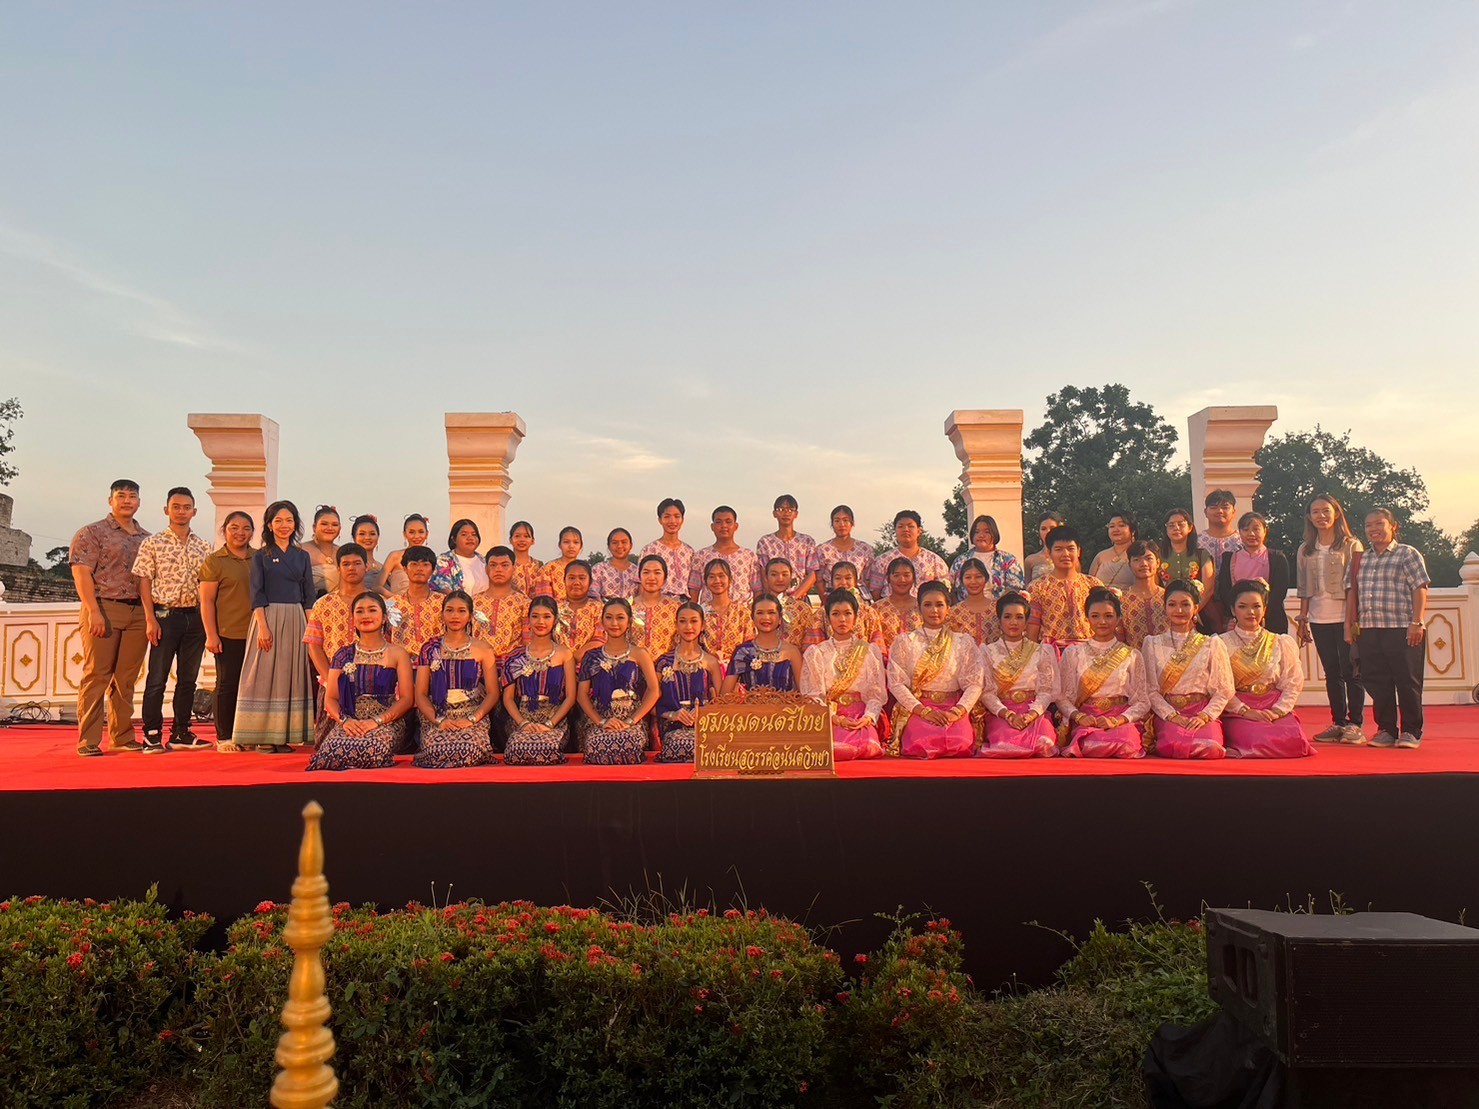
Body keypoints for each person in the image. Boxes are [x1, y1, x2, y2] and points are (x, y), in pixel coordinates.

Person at [69, 479, 151, 756]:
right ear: (110, 500)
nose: (127, 501)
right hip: (104, 607)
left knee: (126, 678)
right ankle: (88, 740)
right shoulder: (92, 532)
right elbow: (81, 573)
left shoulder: (147, 539)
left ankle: (122, 736)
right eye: (121, 495)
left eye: (132, 496)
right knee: (97, 674)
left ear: (139, 502)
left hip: (138, 612)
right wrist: (93, 611)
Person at [131, 486, 213, 752]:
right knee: (157, 678)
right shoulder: (153, 543)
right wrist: (150, 618)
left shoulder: (203, 546)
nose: (181, 512)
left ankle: (181, 732)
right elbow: (144, 581)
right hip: (164, 616)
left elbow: (207, 585)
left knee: (188, 679)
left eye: (186, 507)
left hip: (195, 618)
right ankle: (151, 733)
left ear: (194, 511)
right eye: (176, 507)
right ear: (166, 510)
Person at [231, 501, 317, 752]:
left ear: (295, 524)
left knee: (290, 674)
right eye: (278, 521)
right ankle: (262, 736)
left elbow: (309, 595)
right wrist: (263, 626)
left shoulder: (302, 556)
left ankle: (283, 735)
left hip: (296, 618)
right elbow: (256, 593)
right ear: (269, 525)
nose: (284, 525)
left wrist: (311, 627)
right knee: (263, 673)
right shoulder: (261, 555)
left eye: (289, 520)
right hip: (267, 617)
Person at [1346, 508, 1429, 749]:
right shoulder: (1360, 559)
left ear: (1393, 526)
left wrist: (1417, 622)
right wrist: (1350, 627)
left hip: (1401, 627)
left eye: (1379, 524)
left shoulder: (1407, 554)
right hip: (1369, 628)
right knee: (1376, 681)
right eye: (1368, 525)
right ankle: (1386, 730)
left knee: (1407, 681)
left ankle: (1411, 731)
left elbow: (1420, 588)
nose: (1373, 529)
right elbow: (1352, 594)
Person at [307, 593, 413, 771]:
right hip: (351, 721)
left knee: (373, 750)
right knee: (329, 753)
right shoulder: (343, 654)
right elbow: (331, 698)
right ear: (353, 618)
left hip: (386, 721)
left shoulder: (398, 654)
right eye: (360, 611)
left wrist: (376, 721)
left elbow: (407, 699)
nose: (366, 616)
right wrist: (345, 721)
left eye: (372, 610)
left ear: (384, 617)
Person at [885, 581, 983, 759]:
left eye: (939, 605)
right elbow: (896, 683)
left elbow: (974, 683)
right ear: (919, 609)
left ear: (948, 608)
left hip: (953, 709)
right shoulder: (905, 642)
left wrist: (957, 711)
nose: (934, 610)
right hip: (919, 707)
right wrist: (924, 711)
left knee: (960, 742)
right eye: (928, 605)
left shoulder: (963, 641)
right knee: (921, 744)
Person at [1295, 494, 1364, 743]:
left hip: (1346, 617)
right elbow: (1303, 586)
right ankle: (1338, 722)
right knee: (1331, 672)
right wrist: (1303, 619)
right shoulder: (1305, 548)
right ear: (1309, 517)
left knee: (1351, 670)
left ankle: (1355, 724)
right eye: (1315, 511)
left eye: (1326, 510)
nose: (1321, 516)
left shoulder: (1351, 545)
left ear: (1336, 513)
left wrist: (1352, 621)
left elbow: (1357, 584)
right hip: (1318, 617)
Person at [1221, 580, 1314, 758]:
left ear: (1265, 609)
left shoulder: (1280, 642)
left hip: (1273, 706)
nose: (1250, 612)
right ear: (1233, 610)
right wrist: (1245, 711)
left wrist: (1277, 711)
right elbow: (1220, 687)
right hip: (1238, 710)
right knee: (1258, 739)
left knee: (1294, 740)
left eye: (1256, 606)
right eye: (1243, 606)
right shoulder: (1220, 644)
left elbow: (1292, 682)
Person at [1142, 581, 1234, 759]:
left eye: (1185, 604)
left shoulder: (1211, 644)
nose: (1179, 610)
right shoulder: (1152, 644)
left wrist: (1204, 716)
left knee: (1210, 747)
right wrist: (1171, 716)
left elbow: (1223, 690)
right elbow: (1150, 690)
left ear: (1196, 608)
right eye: (1172, 604)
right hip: (1168, 713)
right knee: (1172, 746)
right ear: (1165, 607)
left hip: (1201, 712)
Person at [1056, 588, 1150, 758]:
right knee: (1090, 745)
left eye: (1108, 616)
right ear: (1087, 618)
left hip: (1120, 720)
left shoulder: (1132, 655)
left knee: (1125, 745)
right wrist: (1079, 717)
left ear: (1118, 618)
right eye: (1095, 616)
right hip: (1088, 719)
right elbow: (1062, 697)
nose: (1102, 622)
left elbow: (1142, 702)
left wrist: (1117, 720)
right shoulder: (1073, 653)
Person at [413, 591, 501, 769]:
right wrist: (439, 720)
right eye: (450, 610)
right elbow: (420, 694)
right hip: (438, 715)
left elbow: (493, 693)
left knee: (468, 749)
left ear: (470, 616)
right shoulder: (429, 648)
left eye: (461, 611)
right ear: (442, 615)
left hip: (472, 715)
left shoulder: (483, 649)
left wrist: (472, 719)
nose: (455, 616)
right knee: (437, 751)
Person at [801, 590, 886, 760]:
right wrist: (836, 719)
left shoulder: (869, 651)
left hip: (860, 717)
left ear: (856, 617)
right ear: (828, 618)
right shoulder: (817, 653)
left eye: (847, 613)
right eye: (836, 614)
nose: (842, 619)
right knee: (831, 750)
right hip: (830, 717)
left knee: (869, 746)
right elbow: (813, 696)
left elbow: (876, 694)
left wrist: (868, 717)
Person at [576, 599, 661, 764]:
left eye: (620, 618)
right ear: (602, 621)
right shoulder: (591, 656)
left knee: (630, 746)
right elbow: (582, 695)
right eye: (609, 617)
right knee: (597, 744)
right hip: (599, 722)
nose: (614, 623)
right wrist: (601, 722)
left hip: (632, 722)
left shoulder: (640, 654)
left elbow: (654, 691)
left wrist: (631, 721)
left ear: (629, 621)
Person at [977, 592, 1059, 758]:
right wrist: (1007, 714)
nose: (1014, 622)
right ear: (999, 621)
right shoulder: (987, 652)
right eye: (1008, 617)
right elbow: (987, 692)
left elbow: (1046, 691)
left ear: (1026, 621)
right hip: (1002, 713)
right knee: (1003, 746)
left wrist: (1031, 714)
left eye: (1019, 617)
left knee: (1044, 743)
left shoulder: (1041, 651)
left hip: (1034, 712)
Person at [199, 511, 255, 751]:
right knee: (227, 684)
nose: (240, 533)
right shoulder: (215, 561)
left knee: (252, 687)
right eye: (234, 527)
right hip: (228, 632)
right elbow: (207, 601)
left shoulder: (259, 558)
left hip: (257, 634)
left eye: (246, 528)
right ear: (224, 530)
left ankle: (247, 733)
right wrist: (211, 635)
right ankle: (224, 736)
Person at [501, 596, 577, 765]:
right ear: (528, 620)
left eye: (546, 616)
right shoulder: (516, 656)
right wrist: (523, 723)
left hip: (555, 720)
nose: (540, 621)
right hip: (522, 720)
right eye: (535, 616)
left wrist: (549, 724)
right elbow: (508, 698)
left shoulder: (565, 654)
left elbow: (571, 697)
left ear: (555, 620)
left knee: (547, 750)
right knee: (518, 750)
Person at [653, 602, 724, 763]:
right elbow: (650, 704)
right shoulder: (664, 662)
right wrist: (673, 715)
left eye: (693, 621)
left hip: (705, 727)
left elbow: (721, 703)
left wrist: (703, 713)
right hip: (673, 729)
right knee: (679, 744)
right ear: (676, 625)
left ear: (702, 625)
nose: (688, 626)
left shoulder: (711, 662)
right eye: (683, 621)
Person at [304, 543, 370, 697]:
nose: (351, 568)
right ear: (338, 568)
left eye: (357, 563)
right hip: (332, 685)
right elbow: (313, 646)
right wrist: (331, 682)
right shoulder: (322, 604)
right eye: (346, 564)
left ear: (366, 567)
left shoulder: (378, 604)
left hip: (372, 685)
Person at [1026, 526, 1104, 654]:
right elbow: (1032, 630)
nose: (1065, 554)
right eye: (1059, 549)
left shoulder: (1093, 585)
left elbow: (1105, 624)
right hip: (1052, 655)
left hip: (1090, 654)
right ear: (1049, 553)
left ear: (1078, 551)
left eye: (1070, 549)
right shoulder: (1038, 587)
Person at [1212, 513, 1290, 634]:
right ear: (1239, 533)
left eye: (1256, 529)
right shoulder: (1229, 559)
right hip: (1237, 622)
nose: (1251, 534)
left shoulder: (1277, 558)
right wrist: (1239, 614)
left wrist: (1260, 613)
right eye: (1246, 529)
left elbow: (1279, 592)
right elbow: (1224, 590)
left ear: (1265, 531)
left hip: (1271, 621)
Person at [723, 595, 803, 693]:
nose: (766, 617)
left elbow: (804, 692)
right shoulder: (743, 651)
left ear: (780, 618)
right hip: (750, 703)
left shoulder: (792, 652)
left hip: (785, 703)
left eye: (771, 612)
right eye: (760, 613)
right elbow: (725, 695)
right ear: (752, 618)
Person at [867, 510, 949, 599]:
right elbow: (875, 593)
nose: (905, 529)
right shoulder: (882, 561)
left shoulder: (935, 561)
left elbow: (944, 592)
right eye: (900, 526)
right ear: (895, 531)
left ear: (919, 531)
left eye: (910, 526)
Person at [690, 506, 762, 605]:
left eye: (728, 522)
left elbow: (757, 590)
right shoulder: (701, 556)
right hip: (710, 611)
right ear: (712, 527)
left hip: (742, 611)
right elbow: (694, 590)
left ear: (736, 526)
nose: (723, 525)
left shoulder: (749, 556)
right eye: (719, 522)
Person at [473, 546, 532, 662]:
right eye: (493, 565)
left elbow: (528, 643)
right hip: (477, 665)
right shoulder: (473, 602)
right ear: (486, 569)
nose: (498, 569)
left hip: (514, 665)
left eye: (505, 565)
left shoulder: (525, 603)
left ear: (514, 569)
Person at [949, 515, 1024, 602]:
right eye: (977, 532)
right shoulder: (960, 561)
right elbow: (951, 590)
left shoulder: (1008, 560)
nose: (981, 535)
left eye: (987, 532)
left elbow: (1016, 588)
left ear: (994, 534)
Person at [756, 494, 819, 599]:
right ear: (774, 513)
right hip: (773, 598)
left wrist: (795, 597)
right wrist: (774, 599)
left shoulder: (807, 541)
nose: (786, 513)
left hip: (800, 598)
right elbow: (763, 574)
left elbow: (812, 573)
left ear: (796, 514)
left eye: (790, 510)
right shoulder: (765, 542)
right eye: (781, 509)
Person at [386, 546, 444, 660]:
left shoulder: (443, 602)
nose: (419, 569)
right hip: (400, 665)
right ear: (404, 569)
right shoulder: (392, 604)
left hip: (436, 664)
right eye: (414, 564)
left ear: (433, 570)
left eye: (425, 565)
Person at [699, 558, 754, 667]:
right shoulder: (700, 612)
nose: (717, 580)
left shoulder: (742, 613)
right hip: (706, 669)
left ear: (730, 580)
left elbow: (749, 647)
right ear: (705, 582)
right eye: (711, 577)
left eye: (721, 576)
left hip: (737, 670)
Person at [640, 498, 697, 600]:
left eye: (677, 516)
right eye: (667, 517)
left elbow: (693, 586)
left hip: (684, 604)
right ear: (660, 520)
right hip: (658, 602)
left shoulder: (689, 551)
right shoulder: (650, 550)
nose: (672, 521)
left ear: (682, 520)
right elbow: (642, 583)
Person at [1160, 508, 1214, 615]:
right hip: (1166, 613)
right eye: (1171, 525)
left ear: (1190, 527)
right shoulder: (1158, 556)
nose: (1176, 528)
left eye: (1180, 524)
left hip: (1199, 613)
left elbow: (1208, 589)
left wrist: (1192, 612)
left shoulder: (1202, 555)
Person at [816, 504, 876, 598]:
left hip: (859, 599)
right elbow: (819, 580)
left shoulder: (865, 549)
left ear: (852, 523)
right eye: (837, 521)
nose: (841, 524)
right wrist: (826, 601)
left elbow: (869, 579)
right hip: (832, 598)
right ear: (832, 524)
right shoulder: (822, 550)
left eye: (845, 520)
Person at [629, 554, 681, 657]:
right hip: (632, 663)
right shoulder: (628, 606)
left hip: (667, 665)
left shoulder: (675, 608)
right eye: (646, 572)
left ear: (665, 578)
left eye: (657, 573)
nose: (651, 577)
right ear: (639, 577)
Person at [1120, 540, 1169, 650]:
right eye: (1136, 560)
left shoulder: (1169, 598)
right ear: (1129, 565)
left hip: (1168, 657)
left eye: (1149, 558)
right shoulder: (1121, 600)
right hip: (1133, 657)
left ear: (1158, 563)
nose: (1144, 564)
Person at [555, 560, 606, 662]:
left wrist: (577, 655)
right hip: (556, 663)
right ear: (564, 580)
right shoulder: (554, 607)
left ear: (590, 582)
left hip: (588, 664)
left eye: (582, 578)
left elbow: (600, 639)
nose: (576, 582)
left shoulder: (598, 608)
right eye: (571, 578)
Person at [873, 557, 922, 660]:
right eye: (896, 575)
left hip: (919, 664)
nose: (902, 580)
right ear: (888, 579)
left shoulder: (922, 607)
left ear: (913, 578)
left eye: (906, 575)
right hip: (884, 665)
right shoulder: (876, 608)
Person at [829, 561, 886, 649]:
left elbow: (877, 646)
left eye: (848, 578)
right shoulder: (822, 613)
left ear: (855, 581)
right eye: (838, 578)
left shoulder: (868, 612)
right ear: (831, 582)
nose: (843, 582)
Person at [763, 558, 818, 648]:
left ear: (791, 577)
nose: (780, 579)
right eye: (774, 574)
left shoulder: (802, 608)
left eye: (784, 574)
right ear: (766, 578)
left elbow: (809, 642)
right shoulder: (758, 607)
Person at [946, 558, 999, 646]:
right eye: (968, 577)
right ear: (962, 580)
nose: (973, 581)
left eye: (978, 577)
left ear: (986, 579)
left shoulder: (998, 609)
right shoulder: (953, 613)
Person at [430, 519, 488, 595]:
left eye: (474, 534)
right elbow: (444, 589)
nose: (470, 538)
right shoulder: (443, 561)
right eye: (464, 534)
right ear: (454, 539)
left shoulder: (484, 561)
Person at [381, 514, 431, 596]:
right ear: (405, 534)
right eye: (411, 532)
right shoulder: (395, 556)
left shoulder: (430, 558)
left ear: (427, 534)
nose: (416, 536)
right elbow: (377, 586)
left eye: (421, 532)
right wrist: (397, 600)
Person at [1088, 510, 1138, 590]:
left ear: (1133, 531)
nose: (1116, 529)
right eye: (1111, 526)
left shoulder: (1139, 554)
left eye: (1121, 525)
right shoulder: (1100, 556)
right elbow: (1088, 585)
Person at [301, 506, 342, 599]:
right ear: (314, 527)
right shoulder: (300, 550)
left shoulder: (343, 552)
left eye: (335, 525)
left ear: (340, 528)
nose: (330, 528)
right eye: (324, 524)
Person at [536, 526, 584, 601]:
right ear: (560, 545)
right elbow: (544, 601)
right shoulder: (548, 569)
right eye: (566, 542)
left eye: (576, 542)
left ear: (581, 546)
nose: (571, 546)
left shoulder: (584, 570)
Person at [591, 527, 639, 599]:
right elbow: (593, 594)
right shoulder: (598, 569)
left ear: (631, 545)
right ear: (609, 546)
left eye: (624, 542)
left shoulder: (637, 572)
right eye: (614, 543)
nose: (619, 546)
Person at [1023, 512, 1067, 583]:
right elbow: (1026, 586)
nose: (1048, 532)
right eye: (1043, 529)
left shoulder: (1068, 557)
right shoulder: (1030, 560)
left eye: (1052, 528)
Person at [349, 516, 388, 593]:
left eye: (372, 534)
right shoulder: (349, 565)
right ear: (354, 537)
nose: (367, 537)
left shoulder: (383, 567)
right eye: (362, 534)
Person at [508, 520, 544, 597]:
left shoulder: (539, 565)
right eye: (517, 536)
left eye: (526, 536)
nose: (522, 540)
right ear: (510, 540)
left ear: (533, 541)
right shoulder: (506, 565)